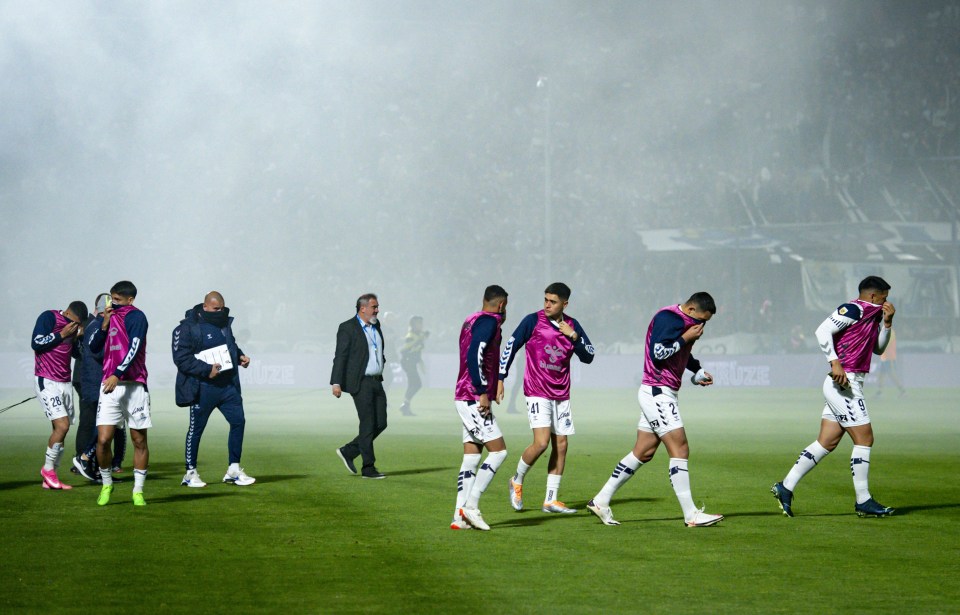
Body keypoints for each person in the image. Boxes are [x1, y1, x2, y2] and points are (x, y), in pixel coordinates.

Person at [586, 292, 724, 528]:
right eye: (701, 320)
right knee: (680, 448)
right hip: (658, 392)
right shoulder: (669, 319)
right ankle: (691, 514)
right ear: (690, 310)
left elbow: (681, 353)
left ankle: (601, 500)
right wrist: (684, 338)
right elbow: (657, 353)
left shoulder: (683, 322)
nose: (701, 326)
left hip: (660, 392)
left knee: (644, 451)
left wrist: (697, 371)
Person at [771, 276, 896, 518]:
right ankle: (863, 500)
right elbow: (822, 330)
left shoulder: (874, 314)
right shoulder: (854, 308)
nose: (886, 302)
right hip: (844, 382)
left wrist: (888, 323)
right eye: (884, 297)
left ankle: (785, 487)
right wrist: (835, 363)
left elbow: (878, 349)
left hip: (847, 381)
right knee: (865, 439)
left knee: (826, 442)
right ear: (873, 295)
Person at [498, 282, 595, 514]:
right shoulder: (532, 321)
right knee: (541, 443)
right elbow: (510, 347)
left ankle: (550, 500)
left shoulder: (573, 325)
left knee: (561, 445)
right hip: (537, 390)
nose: (547, 305)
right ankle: (516, 480)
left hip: (561, 393)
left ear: (565, 303)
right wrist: (501, 377)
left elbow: (589, 355)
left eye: (553, 301)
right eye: (546, 300)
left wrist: (573, 336)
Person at [172, 291, 255, 488]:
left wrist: (240, 356)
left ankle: (233, 470)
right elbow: (181, 359)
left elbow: (230, 345)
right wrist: (206, 370)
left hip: (228, 387)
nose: (219, 312)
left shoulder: (225, 323)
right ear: (205, 306)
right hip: (203, 387)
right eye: (215, 309)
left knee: (238, 422)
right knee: (196, 430)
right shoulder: (186, 329)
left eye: (222, 309)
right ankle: (190, 473)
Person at [86, 281, 151, 506]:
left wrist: (118, 373)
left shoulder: (136, 317)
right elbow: (92, 347)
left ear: (130, 300)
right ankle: (106, 484)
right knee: (103, 440)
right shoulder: (109, 316)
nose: (113, 302)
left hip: (133, 386)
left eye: (118, 299)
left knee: (138, 440)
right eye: (112, 298)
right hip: (109, 387)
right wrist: (103, 324)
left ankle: (138, 491)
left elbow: (135, 346)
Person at [451, 285, 510, 531]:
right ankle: (471, 507)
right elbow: (476, 352)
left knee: (472, 457)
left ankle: (458, 516)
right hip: (473, 397)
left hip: (465, 394)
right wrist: (482, 391)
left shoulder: (471, 319)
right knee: (499, 452)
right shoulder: (489, 322)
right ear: (501, 305)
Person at [32, 300, 88, 490]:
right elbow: (36, 342)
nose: (75, 326)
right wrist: (61, 334)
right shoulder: (49, 317)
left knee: (61, 430)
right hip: (46, 379)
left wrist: (78, 339)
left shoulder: (74, 328)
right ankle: (47, 470)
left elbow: (73, 354)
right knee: (62, 426)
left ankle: (50, 477)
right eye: (76, 322)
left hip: (65, 382)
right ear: (69, 314)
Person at [331, 293, 389, 479]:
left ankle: (349, 451)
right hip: (361, 382)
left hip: (376, 381)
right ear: (362, 308)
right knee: (367, 423)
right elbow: (340, 356)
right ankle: (368, 467)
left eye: (377, 306)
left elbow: (377, 350)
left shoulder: (376, 325)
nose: (377, 310)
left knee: (380, 423)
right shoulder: (347, 327)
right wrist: (336, 382)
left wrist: (381, 363)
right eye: (374, 307)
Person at [72, 293, 126, 482]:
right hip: (96, 384)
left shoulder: (94, 325)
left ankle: (97, 469)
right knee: (101, 426)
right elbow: (97, 352)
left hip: (97, 383)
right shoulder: (95, 326)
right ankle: (85, 459)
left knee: (103, 427)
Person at [398, 316, 429, 416]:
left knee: (413, 384)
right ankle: (405, 405)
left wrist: (423, 337)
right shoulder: (410, 336)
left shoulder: (418, 334)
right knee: (416, 384)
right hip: (408, 362)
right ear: (413, 325)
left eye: (421, 323)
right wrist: (419, 340)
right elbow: (405, 349)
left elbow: (419, 343)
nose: (421, 325)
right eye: (418, 323)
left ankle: (405, 406)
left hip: (411, 362)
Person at [876, 328, 905, 397]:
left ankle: (903, 391)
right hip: (884, 358)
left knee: (892, 375)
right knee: (880, 375)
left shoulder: (891, 332)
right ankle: (880, 393)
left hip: (889, 357)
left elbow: (886, 343)